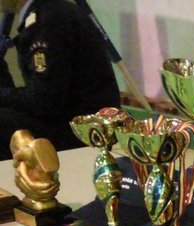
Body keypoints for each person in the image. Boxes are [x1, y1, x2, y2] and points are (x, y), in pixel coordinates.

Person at [0, 0, 120, 161]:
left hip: (80, 130)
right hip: (78, 121)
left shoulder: (48, 21)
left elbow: (43, 101)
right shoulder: (52, 11)